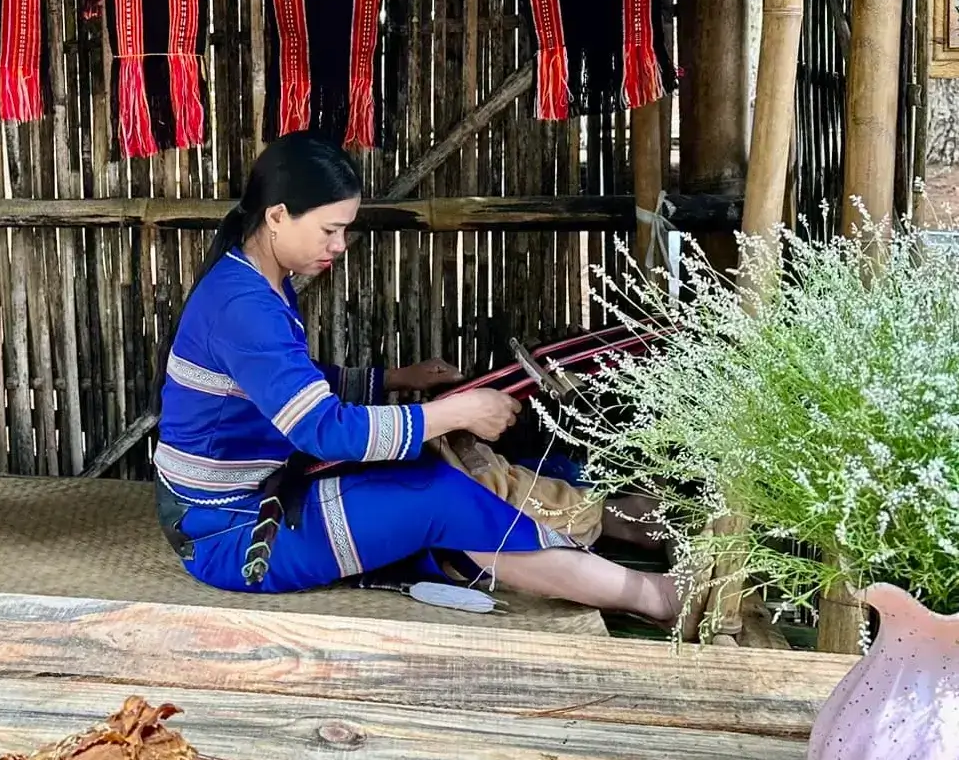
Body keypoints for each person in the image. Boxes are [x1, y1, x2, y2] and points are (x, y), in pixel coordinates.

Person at [154, 132, 682, 624]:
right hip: (231, 532)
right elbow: (324, 430)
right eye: (329, 230)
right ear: (276, 216)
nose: (340, 245)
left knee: (437, 465)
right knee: (440, 498)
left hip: (264, 492)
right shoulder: (244, 305)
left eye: (345, 231)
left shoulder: (256, 281)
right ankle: (654, 597)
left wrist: (396, 379)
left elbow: (297, 384)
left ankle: (627, 525)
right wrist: (458, 410)